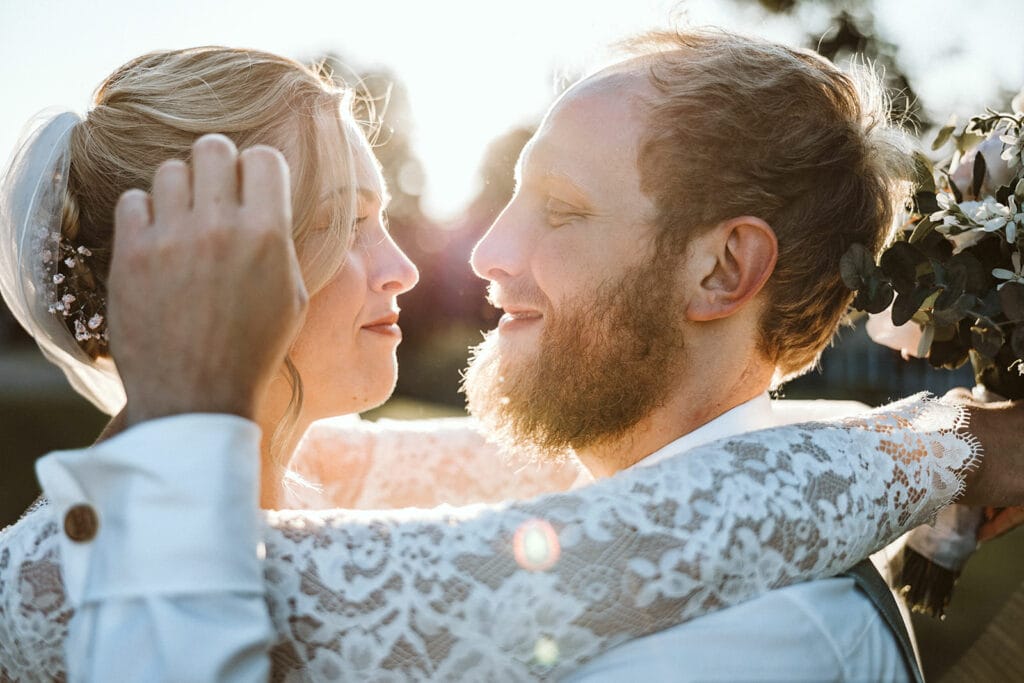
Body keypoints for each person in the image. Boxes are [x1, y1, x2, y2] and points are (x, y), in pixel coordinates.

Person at [0, 37, 1022, 681]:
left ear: (723, 269)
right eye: (343, 221)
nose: (470, 255)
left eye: (562, 210)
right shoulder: (302, 501)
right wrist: (938, 447)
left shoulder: (761, 638)